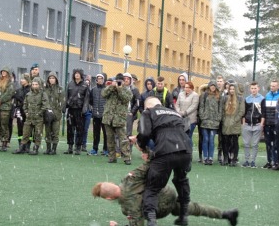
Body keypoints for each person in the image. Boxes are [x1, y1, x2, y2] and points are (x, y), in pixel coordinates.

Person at [92, 161, 239, 226]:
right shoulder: (130, 178)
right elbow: (149, 163)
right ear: (112, 183)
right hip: (168, 193)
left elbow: (137, 223)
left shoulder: (126, 207)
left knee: (158, 212)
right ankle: (226, 214)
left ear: (109, 198)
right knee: (193, 208)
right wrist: (141, 145)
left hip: (159, 209)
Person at [130, 96, 192, 226]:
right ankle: (183, 215)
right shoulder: (175, 113)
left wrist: (141, 144)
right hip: (185, 150)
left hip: (165, 151)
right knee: (181, 180)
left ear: (147, 107)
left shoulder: (148, 112)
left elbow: (145, 133)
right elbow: (186, 129)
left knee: (152, 187)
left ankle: (151, 220)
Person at [12, 78, 50, 155]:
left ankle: (35, 148)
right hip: (29, 117)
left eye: (36, 84)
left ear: (39, 85)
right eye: (33, 84)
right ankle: (21, 147)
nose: (34, 86)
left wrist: (39, 113)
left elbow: (45, 105)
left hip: (38, 118)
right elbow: (25, 104)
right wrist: (26, 112)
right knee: (25, 133)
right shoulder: (28, 94)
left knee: (37, 134)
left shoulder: (43, 94)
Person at [102, 73, 132, 165]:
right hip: (108, 118)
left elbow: (126, 99)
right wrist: (111, 86)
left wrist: (120, 89)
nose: (119, 83)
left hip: (120, 118)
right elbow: (103, 94)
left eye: (121, 81)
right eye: (117, 81)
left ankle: (127, 158)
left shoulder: (127, 90)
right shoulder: (110, 88)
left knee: (123, 139)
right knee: (110, 139)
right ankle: (112, 157)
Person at [64, 68, 90, 155]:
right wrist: (65, 107)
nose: (77, 75)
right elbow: (66, 96)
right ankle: (70, 147)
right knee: (70, 129)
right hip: (71, 109)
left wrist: (84, 108)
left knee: (80, 129)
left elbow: (87, 98)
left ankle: (78, 147)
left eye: (78, 74)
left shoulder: (85, 85)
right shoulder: (70, 84)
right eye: (75, 73)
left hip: (80, 110)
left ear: (81, 75)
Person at [198, 81, 223, 165]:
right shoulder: (204, 95)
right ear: (209, 87)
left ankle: (211, 157)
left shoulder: (219, 96)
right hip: (205, 121)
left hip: (214, 122)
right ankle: (205, 157)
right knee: (205, 139)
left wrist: (218, 118)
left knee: (211, 140)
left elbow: (220, 109)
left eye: (214, 86)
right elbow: (201, 106)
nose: (212, 87)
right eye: (211, 86)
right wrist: (202, 116)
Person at [242, 81, 265, 168]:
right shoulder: (247, 99)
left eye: (255, 88)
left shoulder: (262, 99)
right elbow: (244, 112)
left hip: (257, 124)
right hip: (247, 125)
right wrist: (243, 123)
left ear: (258, 88)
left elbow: (263, 113)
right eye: (252, 88)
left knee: (255, 144)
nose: (253, 90)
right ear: (250, 89)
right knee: (246, 143)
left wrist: (261, 124)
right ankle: (247, 160)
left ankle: (253, 161)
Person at [0, 67, 15, 151]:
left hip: (5, 108)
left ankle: (4, 143)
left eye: (5, 72)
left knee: (4, 125)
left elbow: (9, 94)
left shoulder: (10, 83)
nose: (3, 73)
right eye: (2, 71)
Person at [221, 83, 245, 166]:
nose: (231, 90)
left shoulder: (240, 99)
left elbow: (241, 111)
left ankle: (234, 159)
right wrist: (224, 119)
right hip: (226, 123)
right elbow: (222, 110)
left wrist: (235, 119)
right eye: (230, 89)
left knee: (234, 142)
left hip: (235, 123)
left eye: (233, 89)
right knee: (225, 141)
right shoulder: (225, 98)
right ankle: (226, 158)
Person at [263, 79, 279, 169]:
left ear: (278, 86)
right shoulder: (267, 95)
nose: (272, 87)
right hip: (268, 123)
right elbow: (265, 110)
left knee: (276, 144)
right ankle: (269, 161)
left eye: (274, 86)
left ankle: (276, 162)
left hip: (276, 124)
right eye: (271, 86)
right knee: (268, 143)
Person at [43, 72, 65, 155]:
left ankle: (54, 149)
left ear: (56, 79)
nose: (51, 80)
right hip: (47, 113)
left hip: (56, 114)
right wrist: (48, 110)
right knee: (47, 131)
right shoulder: (45, 89)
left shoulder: (60, 89)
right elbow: (44, 100)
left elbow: (62, 102)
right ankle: (48, 148)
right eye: (50, 78)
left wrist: (56, 112)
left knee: (55, 132)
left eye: (53, 78)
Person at [88, 73, 108, 156]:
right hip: (96, 115)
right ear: (96, 80)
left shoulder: (107, 90)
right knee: (96, 133)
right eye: (98, 78)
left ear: (104, 80)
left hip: (105, 116)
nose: (100, 80)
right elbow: (90, 101)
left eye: (101, 78)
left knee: (106, 133)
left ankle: (106, 149)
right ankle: (95, 149)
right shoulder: (93, 90)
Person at [175, 81, 199, 148]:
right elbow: (177, 104)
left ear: (192, 88)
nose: (187, 89)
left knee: (188, 136)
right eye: (186, 87)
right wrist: (178, 112)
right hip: (181, 119)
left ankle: (189, 153)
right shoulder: (180, 94)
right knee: (181, 136)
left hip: (191, 120)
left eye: (189, 87)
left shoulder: (195, 95)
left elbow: (194, 106)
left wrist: (185, 112)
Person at [12, 73, 31, 151]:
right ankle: (21, 145)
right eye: (21, 79)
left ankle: (27, 146)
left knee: (28, 128)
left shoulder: (30, 90)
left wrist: (20, 99)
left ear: (27, 80)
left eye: (23, 79)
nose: (21, 80)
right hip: (20, 111)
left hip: (28, 111)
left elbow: (27, 100)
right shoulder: (18, 90)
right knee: (20, 128)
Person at [123, 72, 140, 153]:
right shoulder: (120, 88)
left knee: (128, 133)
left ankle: (128, 150)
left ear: (130, 80)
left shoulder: (134, 90)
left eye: (128, 79)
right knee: (119, 132)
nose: (126, 80)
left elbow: (138, 102)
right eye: (124, 79)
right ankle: (119, 150)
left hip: (129, 114)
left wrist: (132, 112)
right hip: (120, 114)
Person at [80, 75, 92, 152]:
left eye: (88, 81)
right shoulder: (81, 90)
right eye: (86, 81)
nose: (87, 83)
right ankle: (78, 143)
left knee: (85, 129)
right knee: (79, 129)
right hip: (81, 112)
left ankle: (84, 144)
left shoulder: (92, 91)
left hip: (88, 112)